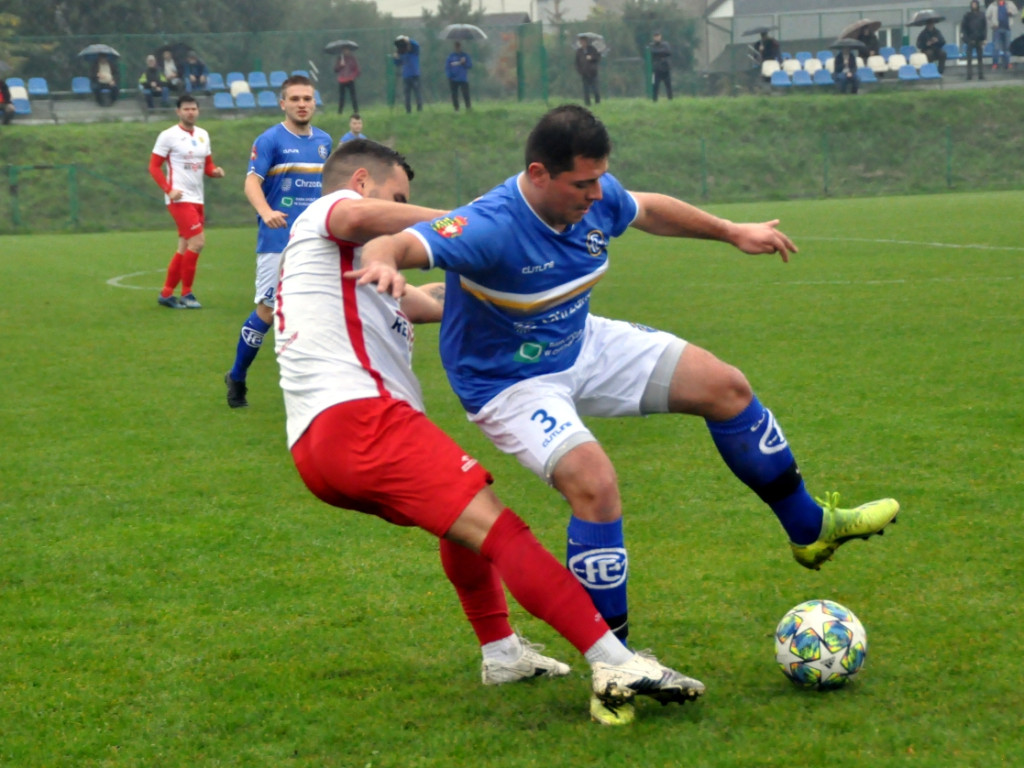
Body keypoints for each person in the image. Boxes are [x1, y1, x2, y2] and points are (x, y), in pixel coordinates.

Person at [354, 105, 900, 687]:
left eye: (599, 179)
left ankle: (810, 526)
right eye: (581, 183)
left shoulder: (596, 195)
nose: (596, 194)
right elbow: (394, 242)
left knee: (726, 386)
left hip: (580, 339)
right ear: (539, 174)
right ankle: (615, 663)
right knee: (596, 483)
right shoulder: (491, 223)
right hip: (509, 381)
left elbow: (649, 208)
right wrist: (384, 264)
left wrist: (732, 231)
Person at [278, 137, 705, 726]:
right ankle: (614, 660)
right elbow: (360, 217)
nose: (403, 204)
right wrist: (483, 223)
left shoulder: (336, 271)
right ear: (360, 181)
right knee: (504, 531)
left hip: (318, 447)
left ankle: (501, 652)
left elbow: (430, 303)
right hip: (361, 420)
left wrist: (489, 254)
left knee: (461, 526)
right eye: (397, 196)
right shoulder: (327, 213)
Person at [224, 75, 333, 408]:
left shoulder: (325, 142)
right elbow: (251, 182)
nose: (302, 104)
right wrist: (266, 210)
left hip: (316, 239)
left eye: (308, 98)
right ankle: (237, 376)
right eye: (295, 98)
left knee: (322, 310)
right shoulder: (270, 139)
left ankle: (318, 388)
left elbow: (329, 188)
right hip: (277, 238)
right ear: (282, 103)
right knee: (268, 309)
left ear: (314, 103)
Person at [149, 94, 225, 309]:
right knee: (198, 242)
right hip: (180, 199)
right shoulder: (168, 135)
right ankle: (187, 294)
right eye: (186, 109)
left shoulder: (203, 135)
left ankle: (166, 294)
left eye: (193, 108)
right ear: (178, 112)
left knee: (184, 248)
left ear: (198, 111)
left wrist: (215, 172)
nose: (190, 112)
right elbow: (153, 166)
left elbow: (207, 166)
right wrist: (168, 189)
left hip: (198, 198)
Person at [393, 35, 422, 114]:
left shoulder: (414, 52)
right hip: (406, 76)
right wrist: (395, 58)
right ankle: (408, 110)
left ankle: (419, 108)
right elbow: (397, 63)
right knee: (407, 95)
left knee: (417, 93)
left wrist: (408, 39)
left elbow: (416, 45)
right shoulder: (403, 54)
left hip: (415, 75)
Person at [986, 0, 1018, 70]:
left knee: (1007, 47)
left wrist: (1011, 12)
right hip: (997, 29)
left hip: (1007, 28)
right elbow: (987, 16)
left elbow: (1016, 12)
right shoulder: (993, 5)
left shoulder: (1009, 4)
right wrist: (992, 25)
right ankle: (995, 64)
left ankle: (1007, 63)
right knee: (996, 48)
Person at [962, 1, 987, 80]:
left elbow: (984, 28)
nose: (974, 6)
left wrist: (984, 38)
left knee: (980, 58)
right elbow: (964, 28)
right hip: (970, 40)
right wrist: (967, 39)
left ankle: (981, 75)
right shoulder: (967, 16)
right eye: (973, 4)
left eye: (975, 4)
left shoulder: (982, 15)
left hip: (979, 40)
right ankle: (969, 75)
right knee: (969, 59)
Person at [574, 35, 601, 106]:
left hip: (593, 73)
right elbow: (577, 62)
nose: (582, 43)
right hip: (584, 73)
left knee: (595, 89)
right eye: (581, 41)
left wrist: (591, 57)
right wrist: (580, 71)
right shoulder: (579, 51)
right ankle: (587, 104)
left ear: (586, 42)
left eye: (583, 41)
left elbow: (598, 57)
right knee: (586, 90)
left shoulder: (592, 49)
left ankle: (597, 102)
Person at [445, 41, 472, 111]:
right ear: (454, 48)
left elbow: (469, 66)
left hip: (463, 78)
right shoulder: (451, 56)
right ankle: (456, 108)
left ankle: (468, 107)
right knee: (454, 95)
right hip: (453, 79)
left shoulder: (465, 56)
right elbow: (447, 67)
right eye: (456, 47)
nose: (457, 48)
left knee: (466, 94)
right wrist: (449, 76)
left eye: (458, 47)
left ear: (460, 47)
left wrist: (464, 63)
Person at [333, 46, 360, 114]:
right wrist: (340, 65)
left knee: (353, 96)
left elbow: (356, 70)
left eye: (347, 50)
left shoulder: (352, 59)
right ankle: (340, 112)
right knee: (342, 97)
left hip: (350, 80)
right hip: (342, 80)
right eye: (344, 50)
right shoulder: (340, 59)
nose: (346, 51)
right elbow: (336, 69)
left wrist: (353, 76)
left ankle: (356, 111)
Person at [649, 31, 672, 102]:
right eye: (655, 36)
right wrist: (661, 53)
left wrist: (658, 53)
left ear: (660, 36)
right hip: (656, 70)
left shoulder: (666, 44)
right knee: (655, 86)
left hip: (665, 68)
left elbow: (668, 52)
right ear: (653, 37)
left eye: (658, 36)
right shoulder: (651, 45)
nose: (657, 37)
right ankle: (654, 101)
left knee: (668, 85)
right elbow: (651, 52)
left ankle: (670, 100)